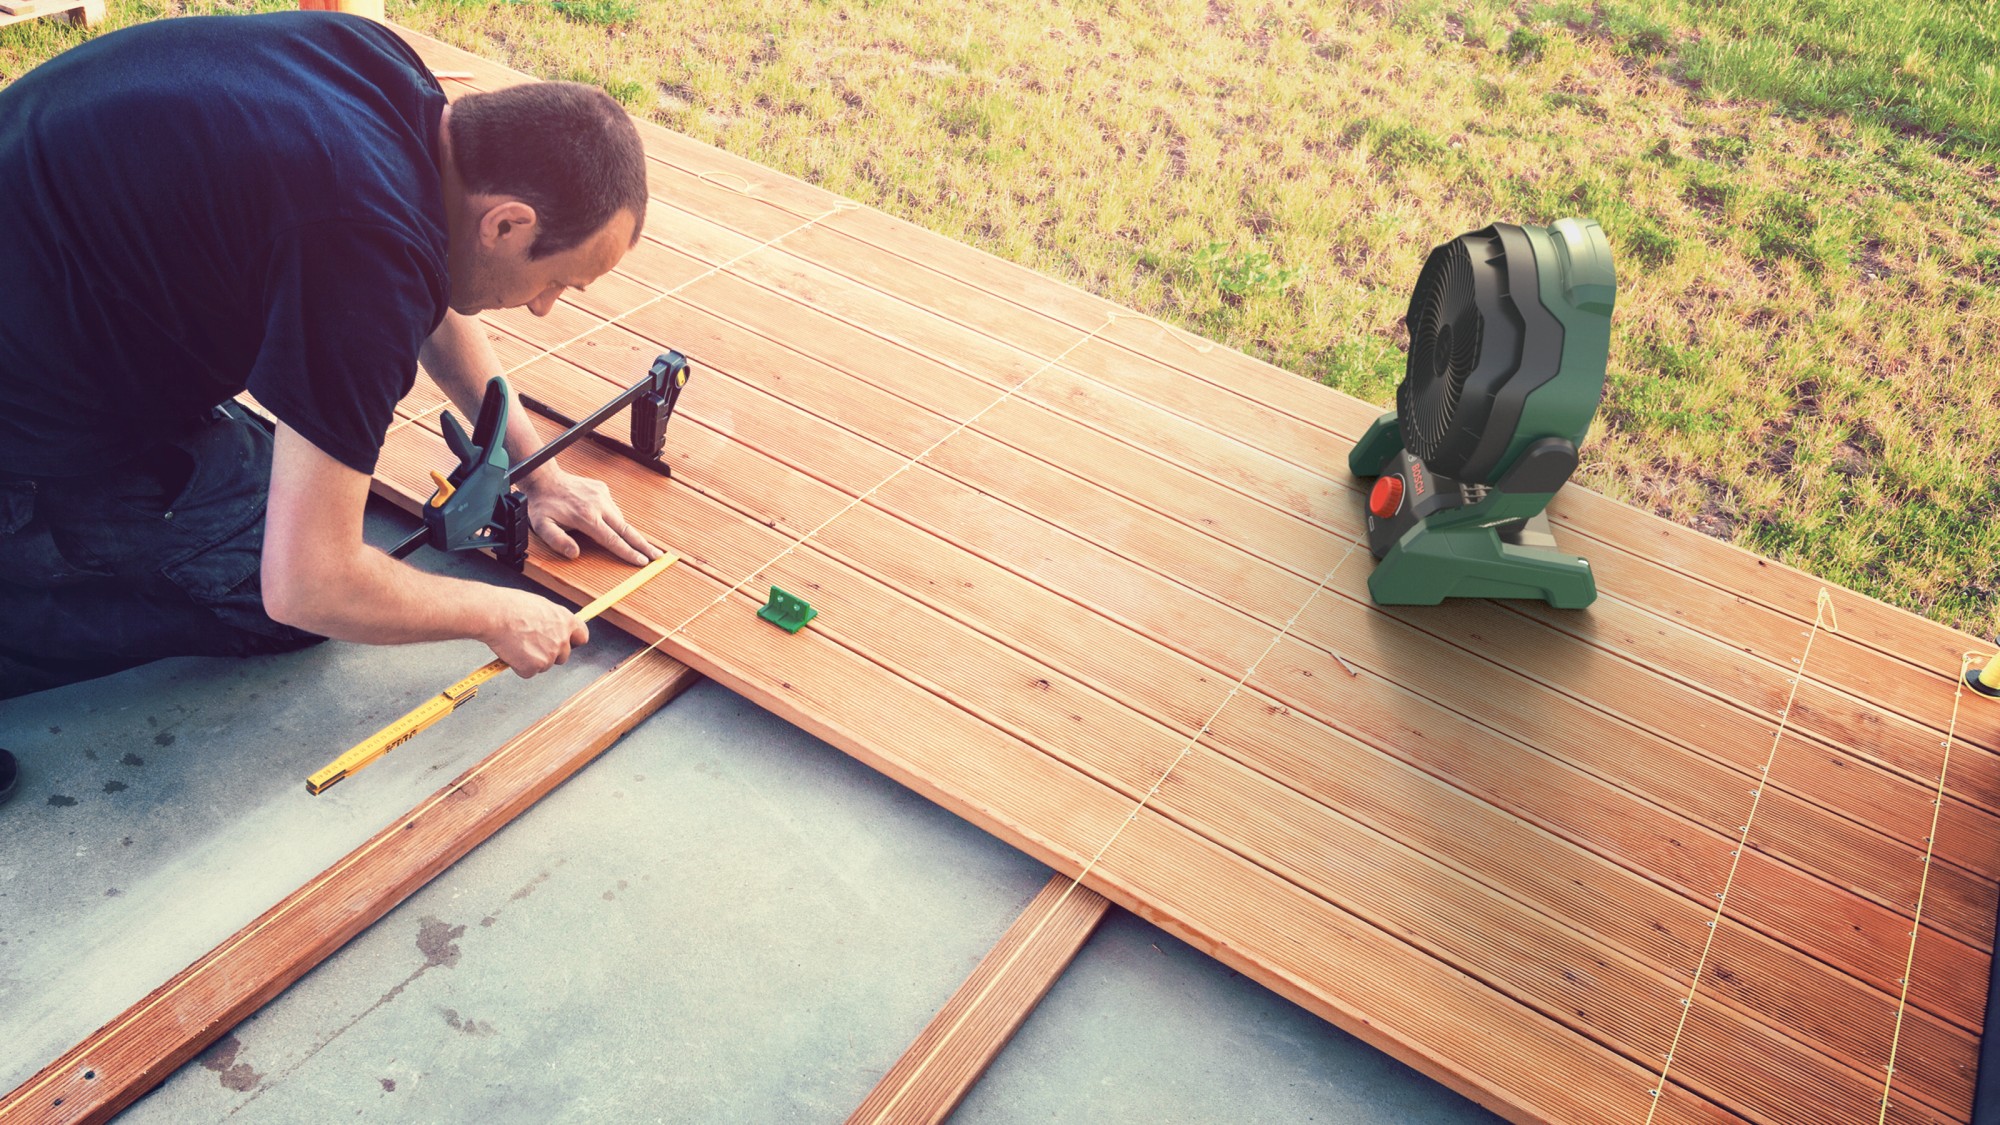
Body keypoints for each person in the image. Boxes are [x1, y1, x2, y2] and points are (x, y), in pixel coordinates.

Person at [0, 11, 661, 735]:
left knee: (280, 494)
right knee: (276, 597)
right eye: (554, 281)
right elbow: (308, 584)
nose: (541, 308)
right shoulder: (360, 250)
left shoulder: (388, 81)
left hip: (46, 290)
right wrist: (499, 613)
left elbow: (427, 285)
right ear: (505, 224)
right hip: (27, 423)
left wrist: (540, 471)